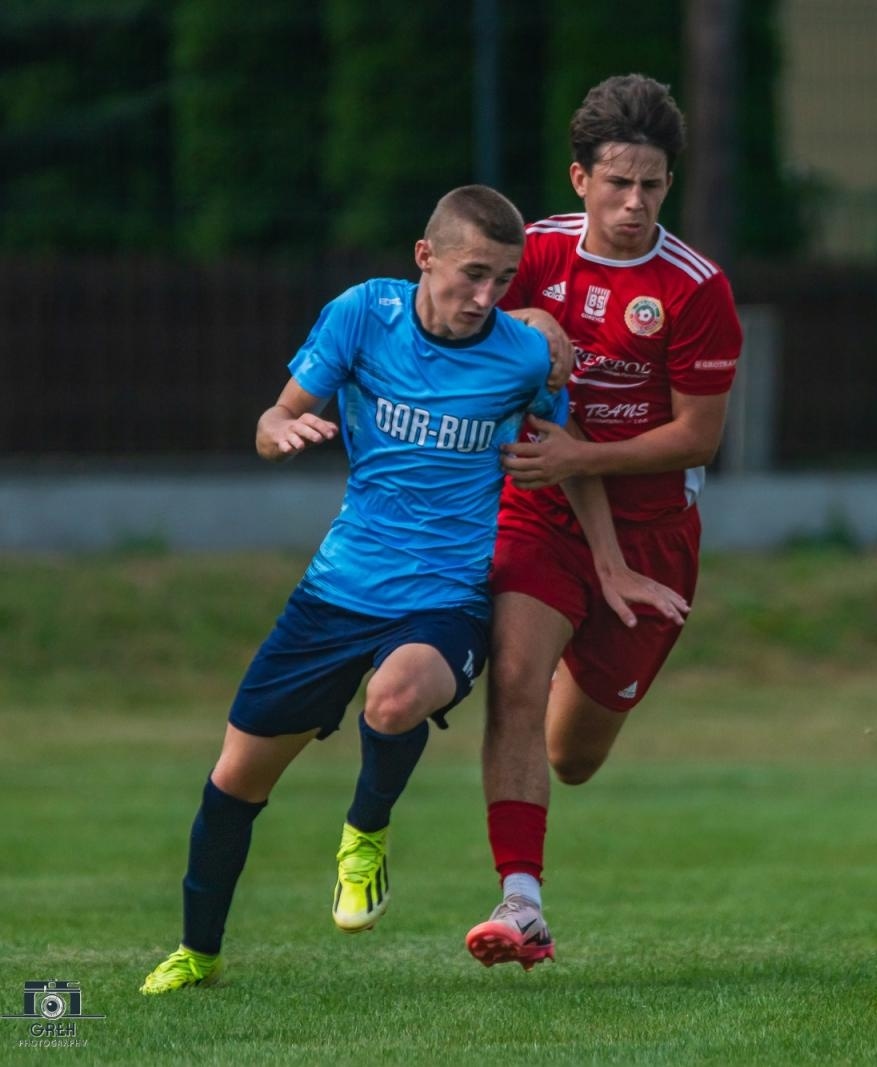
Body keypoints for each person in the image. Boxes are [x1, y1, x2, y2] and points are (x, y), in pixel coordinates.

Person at [140, 184, 685, 994]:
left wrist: (607, 561)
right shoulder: (363, 315)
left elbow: (564, 451)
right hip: (337, 589)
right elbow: (275, 416)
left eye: (503, 279)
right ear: (425, 257)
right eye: (473, 274)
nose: (487, 296)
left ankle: (365, 832)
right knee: (235, 780)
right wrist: (279, 429)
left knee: (395, 699)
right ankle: (198, 953)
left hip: (446, 599)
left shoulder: (523, 356)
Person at [463, 74, 744, 970]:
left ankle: (563, 677)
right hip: (541, 510)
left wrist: (582, 458)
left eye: (652, 185)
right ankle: (522, 903)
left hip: (654, 534)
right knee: (514, 675)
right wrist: (523, 321)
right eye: (617, 182)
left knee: (574, 756)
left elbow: (698, 437)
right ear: (579, 178)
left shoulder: (696, 289)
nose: (634, 202)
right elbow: (462, 330)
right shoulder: (534, 254)